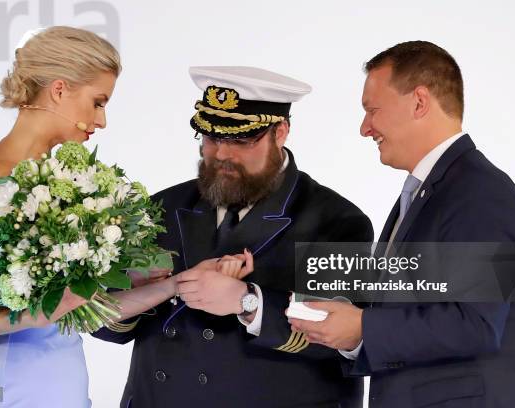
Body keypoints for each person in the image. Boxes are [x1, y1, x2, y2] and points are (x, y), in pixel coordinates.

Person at [93, 66, 373, 408]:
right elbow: (101, 325)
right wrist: (136, 291)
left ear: (281, 132)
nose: (222, 154)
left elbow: (347, 340)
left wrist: (248, 301)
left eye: (240, 140)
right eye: (211, 138)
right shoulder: (161, 208)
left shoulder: (338, 220)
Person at [289, 41, 515, 407]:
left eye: (372, 110)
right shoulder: (430, 191)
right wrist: (353, 335)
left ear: (419, 102)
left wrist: (363, 327)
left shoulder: (480, 191)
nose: (365, 128)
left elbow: (477, 323)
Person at [0, 26, 174, 407]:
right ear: (59, 89)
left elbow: (68, 304)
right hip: (21, 387)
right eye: (97, 101)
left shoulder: (56, 176)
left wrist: (126, 279)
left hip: (65, 378)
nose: (101, 121)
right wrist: (42, 313)